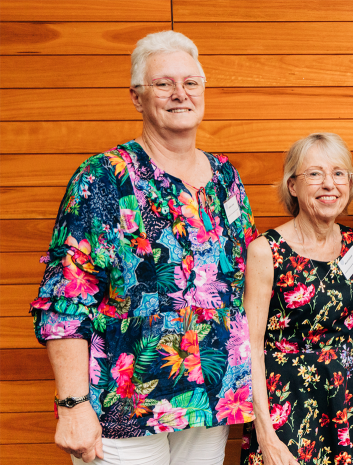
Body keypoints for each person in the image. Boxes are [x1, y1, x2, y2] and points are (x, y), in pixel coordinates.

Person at [29, 30, 258, 464]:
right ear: (137, 97)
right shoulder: (103, 177)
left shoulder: (226, 177)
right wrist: (73, 405)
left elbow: (242, 283)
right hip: (123, 405)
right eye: (163, 84)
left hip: (209, 399)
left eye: (191, 83)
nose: (180, 94)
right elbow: (66, 298)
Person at [241, 133, 353, 465]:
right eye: (315, 174)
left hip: (348, 401)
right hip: (287, 404)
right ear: (292, 186)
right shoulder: (265, 251)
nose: (329, 183)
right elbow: (250, 349)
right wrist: (265, 435)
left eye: (338, 173)